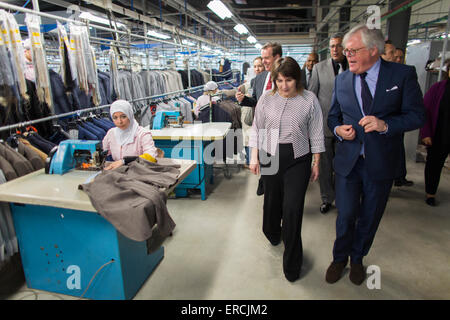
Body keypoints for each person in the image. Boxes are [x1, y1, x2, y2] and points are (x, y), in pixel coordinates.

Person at [325, 24, 425, 286]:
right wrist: (337, 129)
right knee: (345, 215)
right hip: (348, 161)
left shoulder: (402, 75)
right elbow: (333, 116)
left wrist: (386, 125)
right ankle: (339, 258)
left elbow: (417, 115)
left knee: (370, 216)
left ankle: (357, 258)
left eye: (353, 50)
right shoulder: (343, 79)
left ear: (373, 50)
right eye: (346, 51)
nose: (348, 55)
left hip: (380, 162)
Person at [248, 57, 325, 282]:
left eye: (288, 80)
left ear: (297, 79)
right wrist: (254, 157)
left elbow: (317, 133)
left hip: (298, 158)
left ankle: (292, 263)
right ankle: (272, 232)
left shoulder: (309, 100)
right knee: (272, 205)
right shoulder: (266, 99)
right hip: (270, 155)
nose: (283, 85)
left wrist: (316, 162)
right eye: (279, 80)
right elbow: (257, 129)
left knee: (292, 209)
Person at [236, 42, 282, 196]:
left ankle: (273, 186)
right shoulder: (260, 78)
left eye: (267, 58)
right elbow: (255, 100)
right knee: (266, 161)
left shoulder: (287, 76)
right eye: (262, 58)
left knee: (278, 165)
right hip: (262, 127)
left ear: (277, 57)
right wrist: (243, 100)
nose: (264, 62)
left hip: (282, 130)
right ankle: (266, 183)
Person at [308, 33, 348, 214]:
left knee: (343, 166)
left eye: (338, 46)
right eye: (332, 46)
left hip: (348, 127)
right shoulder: (319, 68)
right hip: (323, 126)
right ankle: (326, 198)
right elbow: (312, 96)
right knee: (324, 167)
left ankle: (342, 198)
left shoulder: (353, 67)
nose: (334, 49)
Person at [420, 59, 450, 206]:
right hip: (440, 134)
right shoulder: (437, 89)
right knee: (434, 165)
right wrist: (426, 133)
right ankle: (430, 193)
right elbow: (425, 112)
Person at [102, 99, 162, 170]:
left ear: (130, 115)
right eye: (115, 118)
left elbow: (151, 157)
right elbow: (105, 152)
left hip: (140, 170)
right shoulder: (111, 133)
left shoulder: (143, 134)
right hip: (119, 171)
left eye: (123, 116)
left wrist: (124, 161)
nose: (119, 121)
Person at [392, 46, 414, 187]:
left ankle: (399, 176)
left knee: (399, 150)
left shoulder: (406, 74)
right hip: (380, 125)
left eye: (401, 57)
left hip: (399, 122)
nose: (398, 59)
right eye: (395, 56)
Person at [239, 57, 264, 167]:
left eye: (260, 66)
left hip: (266, 118)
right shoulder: (253, 82)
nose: (257, 69)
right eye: (255, 66)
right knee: (251, 138)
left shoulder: (271, 80)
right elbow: (253, 99)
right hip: (253, 115)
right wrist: (243, 98)